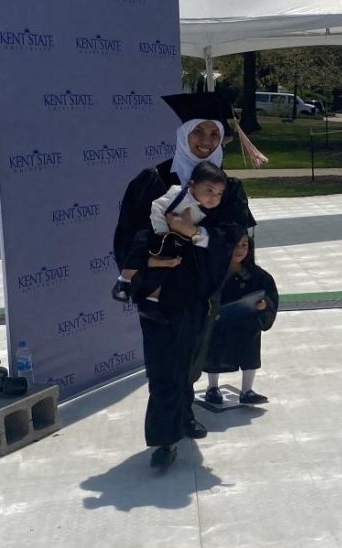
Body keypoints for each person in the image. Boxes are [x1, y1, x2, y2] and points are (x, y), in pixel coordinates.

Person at [112, 92, 256, 470]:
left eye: (214, 133)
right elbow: (127, 235)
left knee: (190, 363)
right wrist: (146, 275)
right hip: (159, 293)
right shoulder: (153, 180)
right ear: (184, 135)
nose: (206, 141)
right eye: (199, 133)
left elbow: (234, 233)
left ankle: (183, 416)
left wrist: (193, 233)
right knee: (163, 369)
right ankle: (164, 440)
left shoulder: (229, 188)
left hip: (201, 294)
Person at [111, 161, 227, 311]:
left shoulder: (204, 209)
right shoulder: (178, 193)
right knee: (139, 249)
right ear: (192, 185)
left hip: (172, 238)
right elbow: (157, 206)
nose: (214, 197)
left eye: (219, 193)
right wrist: (161, 229)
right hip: (155, 229)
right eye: (209, 190)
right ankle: (124, 281)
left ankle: (154, 296)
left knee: (169, 263)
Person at [199, 231, 278, 406]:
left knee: (249, 350)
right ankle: (212, 388)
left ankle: (247, 390)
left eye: (244, 245)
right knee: (215, 352)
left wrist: (264, 305)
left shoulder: (257, 275)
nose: (240, 250)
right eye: (235, 245)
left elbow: (270, 296)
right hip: (220, 323)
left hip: (246, 323)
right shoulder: (215, 274)